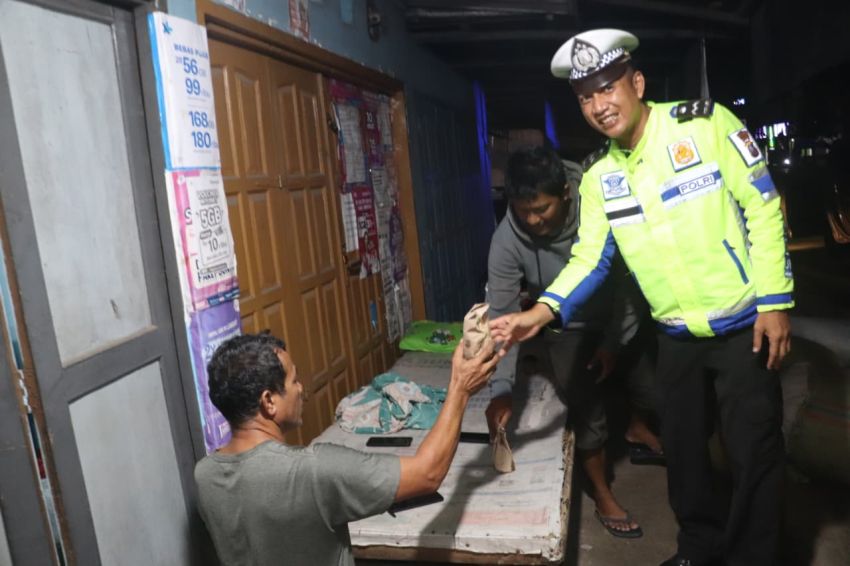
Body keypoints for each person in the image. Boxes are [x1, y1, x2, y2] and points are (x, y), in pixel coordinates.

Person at [490, 29, 793, 566]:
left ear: (637, 82)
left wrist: (774, 301)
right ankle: (697, 548)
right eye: (585, 97)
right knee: (686, 458)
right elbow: (590, 259)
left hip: (743, 325)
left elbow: (764, 208)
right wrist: (536, 313)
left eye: (608, 88)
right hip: (674, 337)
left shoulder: (704, 125)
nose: (599, 105)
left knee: (754, 456)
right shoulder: (600, 176)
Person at [194, 332, 500, 566]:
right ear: (269, 401)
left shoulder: (205, 475)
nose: (301, 388)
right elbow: (427, 474)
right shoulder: (313, 471)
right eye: (294, 379)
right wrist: (460, 388)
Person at [484, 146, 660, 538]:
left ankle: (636, 426)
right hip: (567, 326)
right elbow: (502, 317)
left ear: (565, 192)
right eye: (522, 210)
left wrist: (613, 344)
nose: (532, 220)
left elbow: (632, 286)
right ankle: (602, 493)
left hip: (621, 310)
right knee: (588, 410)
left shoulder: (599, 208)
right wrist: (501, 390)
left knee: (653, 389)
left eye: (541, 209)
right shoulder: (507, 240)